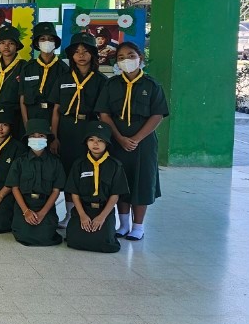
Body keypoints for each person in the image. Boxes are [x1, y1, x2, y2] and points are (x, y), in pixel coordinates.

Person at [95, 41, 168, 241]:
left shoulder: (152, 85)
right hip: (116, 138)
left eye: (130, 56)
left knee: (141, 181)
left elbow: (157, 115)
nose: (126, 60)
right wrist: (119, 138)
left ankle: (138, 226)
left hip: (143, 142)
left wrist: (135, 139)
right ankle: (124, 224)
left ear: (140, 58)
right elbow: (104, 113)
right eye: (121, 57)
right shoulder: (111, 84)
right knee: (120, 181)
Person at [55, 31, 106, 229]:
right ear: (71, 55)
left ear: (93, 54)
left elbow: (103, 114)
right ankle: (69, 214)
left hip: (89, 130)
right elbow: (56, 110)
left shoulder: (101, 80)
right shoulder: (63, 78)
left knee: (87, 172)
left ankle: (87, 213)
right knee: (69, 172)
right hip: (66, 129)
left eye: (85, 51)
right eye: (76, 51)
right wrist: (54, 136)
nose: (81, 55)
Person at [65, 122, 129, 254]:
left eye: (100, 140)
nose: (95, 144)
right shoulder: (79, 164)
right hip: (83, 209)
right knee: (74, 241)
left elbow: (115, 195)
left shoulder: (115, 165)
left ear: (107, 144)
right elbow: (74, 192)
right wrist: (82, 216)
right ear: (86, 142)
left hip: (103, 211)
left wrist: (101, 217)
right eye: (91, 140)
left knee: (105, 243)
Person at [6, 118, 66, 247]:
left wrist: (43, 213)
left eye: (41, 136)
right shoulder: (19, 161)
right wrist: (26, 211)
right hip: (24, 204)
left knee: (46, 236)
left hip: (45, 205)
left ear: (47, 139)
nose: (37, 139)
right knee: (23, 235)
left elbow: (56, 190)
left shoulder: (55, 162)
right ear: (28, 139)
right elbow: (15, 188)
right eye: (33, 136)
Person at [20, 21, 66, 135]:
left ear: (55, 43)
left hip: (53, 116)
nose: (47, 42)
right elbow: (22, 98)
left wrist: (54, 131)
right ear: (37, 43)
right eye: (42, 39)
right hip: (32, 115)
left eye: (51, 39)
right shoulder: (28, 67)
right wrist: (26, 124)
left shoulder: (64, 69)